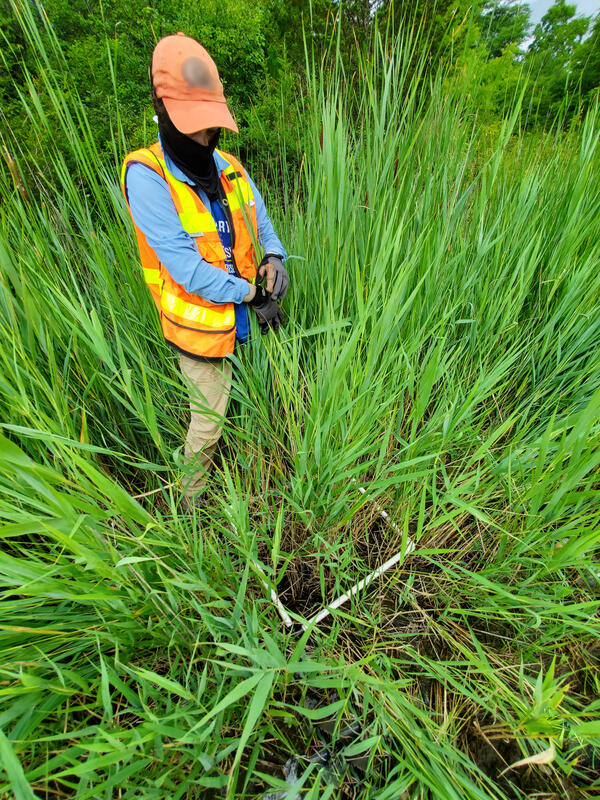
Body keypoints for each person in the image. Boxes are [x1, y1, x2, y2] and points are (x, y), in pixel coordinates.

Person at [121, 33, 288, 505]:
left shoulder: (229, 166)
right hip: (200, 332)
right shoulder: (147, 175)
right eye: (191, 128)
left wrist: (276, 262)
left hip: (247, 322)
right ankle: (190, 510)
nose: (202, 139)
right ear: (162, 107)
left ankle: (255, 478)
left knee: (255, 402)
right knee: (209, 423)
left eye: (209, 127)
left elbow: (265, 229)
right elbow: (188, 270)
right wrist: (256, 296)